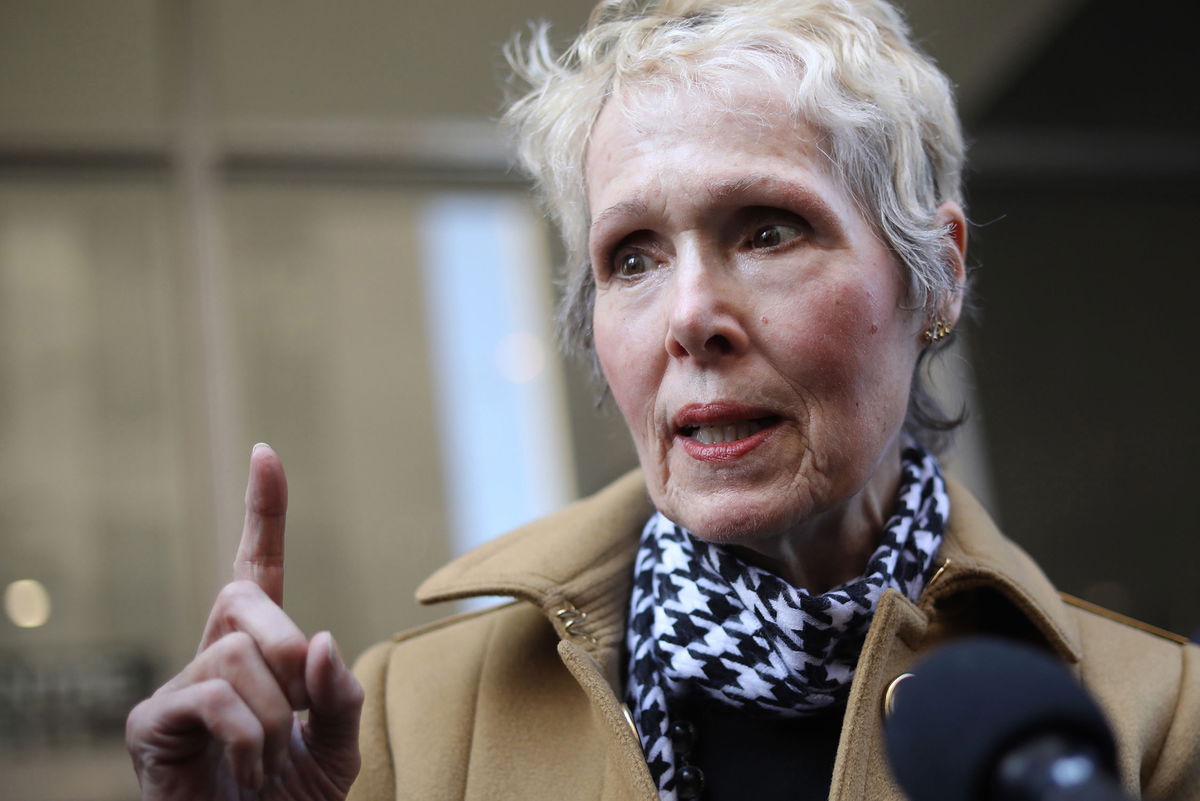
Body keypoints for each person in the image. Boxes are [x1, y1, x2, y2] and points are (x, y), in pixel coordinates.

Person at [125, 1, 1200, 800]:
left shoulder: (1154, 719)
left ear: (938, 273)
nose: (691, 315)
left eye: (769, 229)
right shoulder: (416, 718)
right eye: (631, 257)